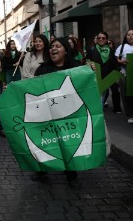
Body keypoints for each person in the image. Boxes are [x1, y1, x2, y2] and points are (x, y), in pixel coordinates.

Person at [33, 37, 82, 188]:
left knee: (69, 143)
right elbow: (34, 90)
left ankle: (71, 173)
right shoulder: (42, 69)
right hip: (48, 113)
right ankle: (43, 169)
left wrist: (90, 70)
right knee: (47, 142)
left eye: (58, 46)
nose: (53, 49)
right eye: (52, 46)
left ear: (66, 50)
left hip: (69, 114)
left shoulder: (77, 68)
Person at [86, 31, 122, 114]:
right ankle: (97, 111)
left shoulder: (111, 50)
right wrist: (90, 64)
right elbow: (87, 60)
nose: (101, 39)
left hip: (110, 74)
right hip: (97, 75)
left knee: (115, 91)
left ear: (106, 40)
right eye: (99, 38)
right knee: (99, 94)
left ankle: (117, 108)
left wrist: (116, 74)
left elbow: (115, 63)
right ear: (96, 39)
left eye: (103, 38)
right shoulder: (91, 50)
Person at [115, 29, 133, 124]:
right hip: (125, 74)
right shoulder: (121, 47)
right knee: (127, 96)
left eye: (132, 34)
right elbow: (116, 59)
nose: (130, 36)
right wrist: (121, 61)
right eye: (128, 35)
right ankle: (130, 114)